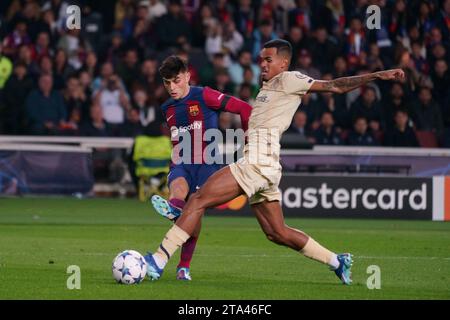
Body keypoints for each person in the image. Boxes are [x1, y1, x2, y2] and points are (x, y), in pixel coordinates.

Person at [144, 39, 405, 284]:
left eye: (269, 60)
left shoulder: (290, 79)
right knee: (276, 233)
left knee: (197, 200)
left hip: (258, 162)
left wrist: (375, 76)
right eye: (261, 60)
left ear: (284, 63)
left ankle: (157, 260)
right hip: (264, 165)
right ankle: (337, 261)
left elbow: (335, 85)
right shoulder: (268, 88)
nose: (263, 64)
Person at [149, 56, 252, 281]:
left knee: (194, 212)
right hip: (181, 162)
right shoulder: (167, 108)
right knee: (178, 190)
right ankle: (175, 210)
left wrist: (249, 144)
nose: (172, 87)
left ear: (187, 76)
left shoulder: (204, 95)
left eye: (176, 80)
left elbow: (245, 109)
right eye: (167, 83)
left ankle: (183, 263)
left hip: (207, 165)